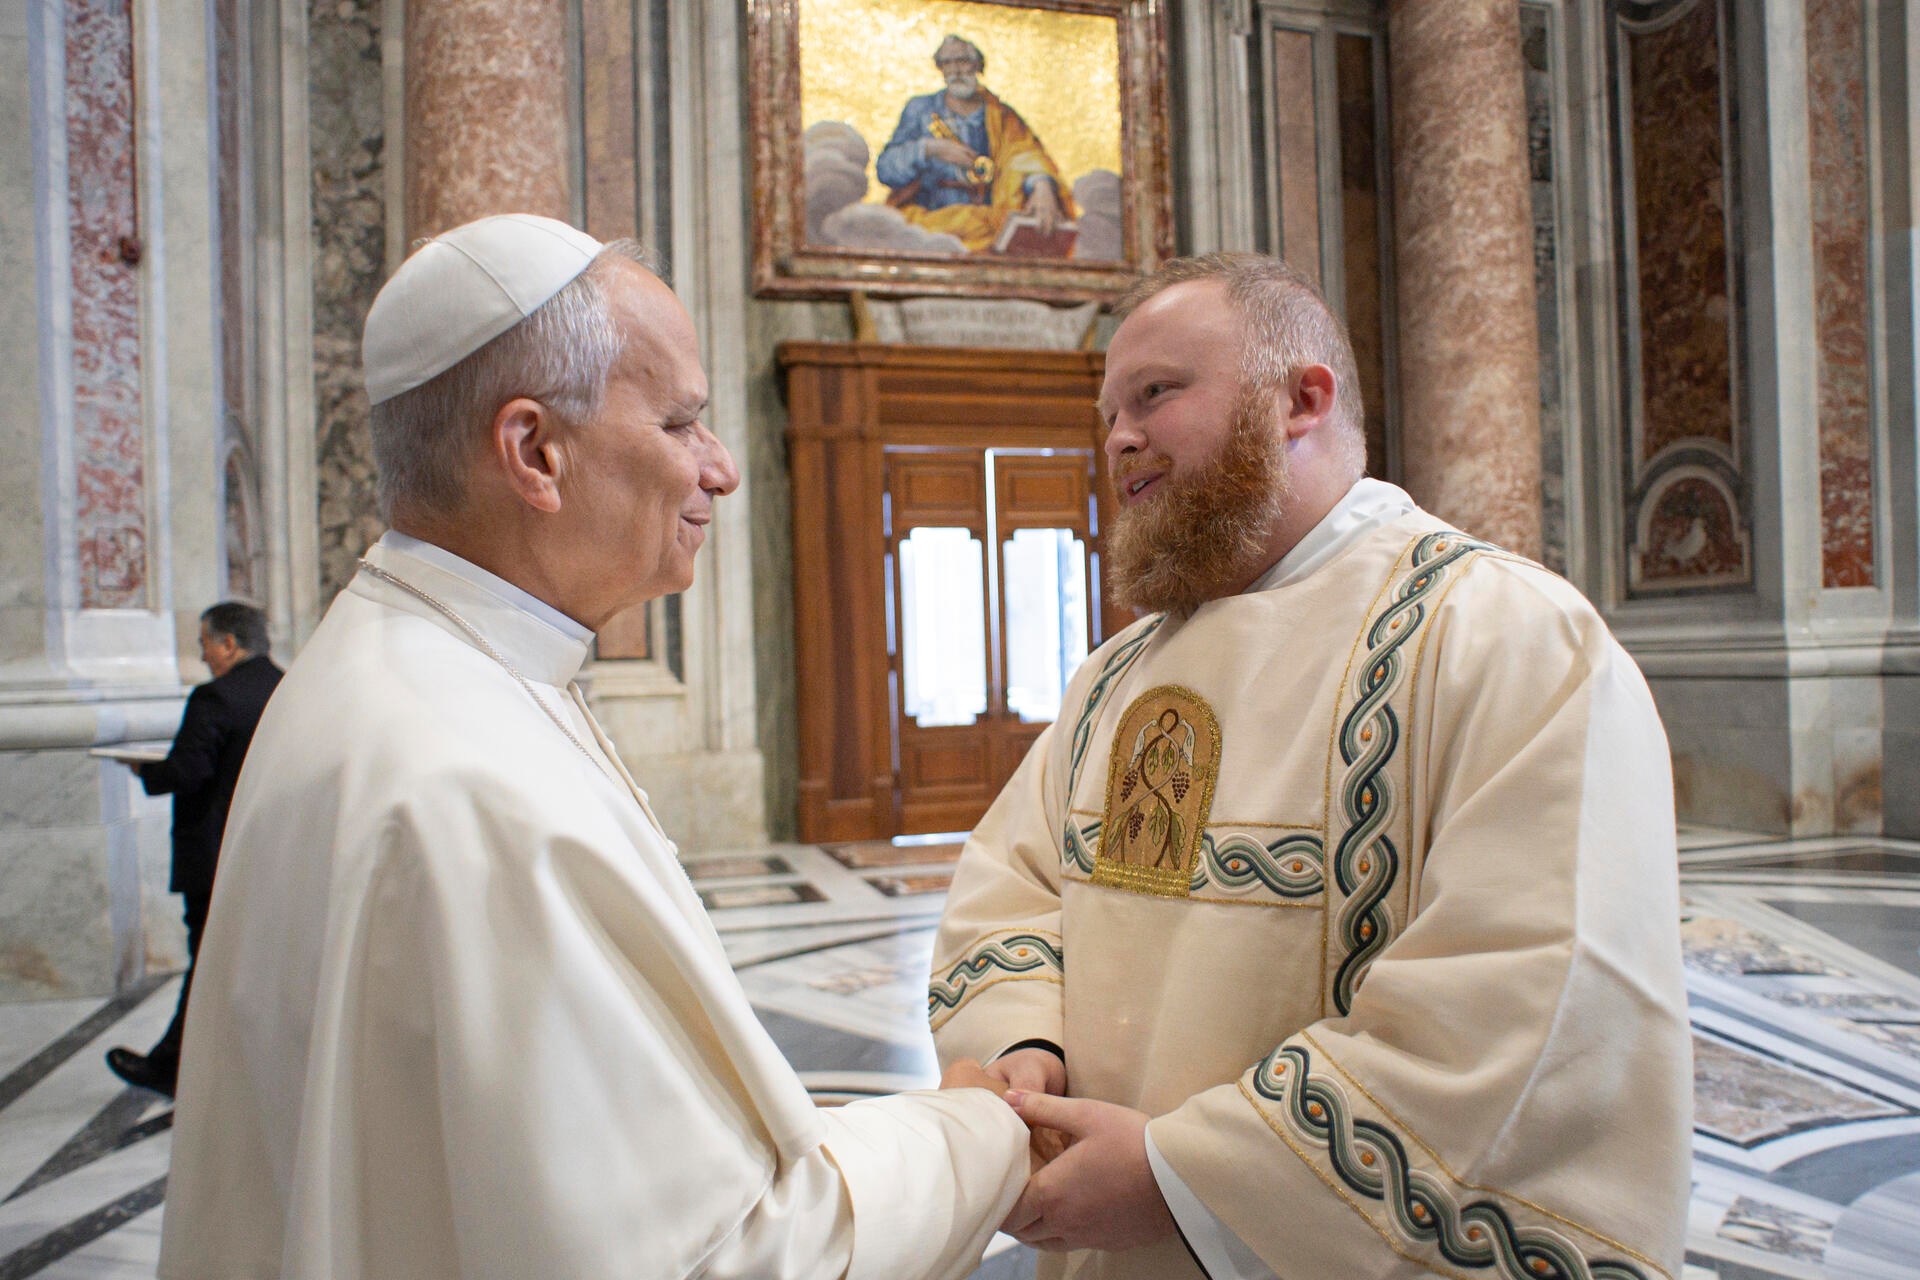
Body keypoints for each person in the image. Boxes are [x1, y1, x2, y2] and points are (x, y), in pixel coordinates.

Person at [158, 214, 1029, 1280]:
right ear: (534, 450)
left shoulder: (395, 665)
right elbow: (733, 1255)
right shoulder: (476, 783)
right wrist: (982, 1130)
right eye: (680, 423)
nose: (720, 469)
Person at [929, 253, 1694, 1280]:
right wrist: (1029, 1048)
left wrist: (1178, 1176)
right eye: (1109, 409)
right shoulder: (1118, 676)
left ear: (1302, 397)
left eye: (1156, 393)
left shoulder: (1505, 635)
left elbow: (1539, 992)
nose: (1117, 435)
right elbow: (1015, 889)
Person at [105, 601, 281, 1098]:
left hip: (214, 851)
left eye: (205, 644)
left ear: (228, 643)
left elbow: (188, 771)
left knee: (207, 958)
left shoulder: (215, 697)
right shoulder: (286, 686)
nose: (202, 657)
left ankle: (172, 1066)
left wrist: (145, 771)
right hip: (267, 847)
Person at [875, 34, 1072, 253]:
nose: (956, 70)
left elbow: (1024, 152)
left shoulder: (1000, 115)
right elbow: (886, 169)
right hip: (932, 223)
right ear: (940, 69)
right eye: (947, 63)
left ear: (977, 65)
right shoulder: (920, 110)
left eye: (962, 61)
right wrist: (930, 149)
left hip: (988, 225)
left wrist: (1041, 184)